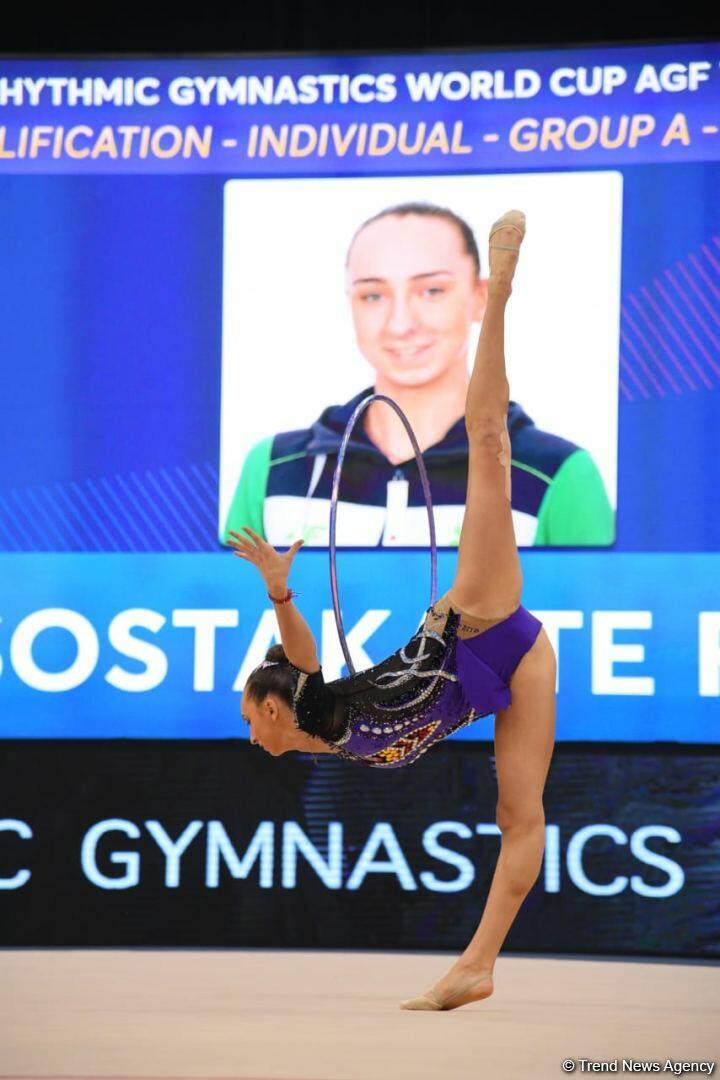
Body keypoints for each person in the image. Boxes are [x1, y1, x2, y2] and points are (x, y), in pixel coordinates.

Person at [229, 211, 557, 1012]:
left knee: (488, 444)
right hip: (517, 663)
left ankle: (502, 289)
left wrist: (280, 592)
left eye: (249, 718)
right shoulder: (322, 741)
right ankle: (477, 967)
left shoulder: (315, 703)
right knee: (520, 816)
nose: (249, 734)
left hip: (474, 621)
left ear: (274, 705)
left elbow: (300, 652)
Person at [222, 200, 613, 548]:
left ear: (482, 297)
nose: (400, 324)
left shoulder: (558, 475)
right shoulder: (272, 469)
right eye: (373, 295)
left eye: (432, 291)